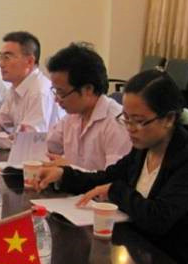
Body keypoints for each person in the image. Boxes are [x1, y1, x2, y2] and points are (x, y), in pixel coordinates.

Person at [36, 70, 188, 264]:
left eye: (138, 121)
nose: (130, 128)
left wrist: (115, 191)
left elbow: (158, 218)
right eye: (126, 119)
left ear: (168, 119)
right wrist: (64, 174)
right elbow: (108, 177)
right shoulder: (144, 148)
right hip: (140, 254)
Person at [44, 42, 131, 171]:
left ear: (88, 89)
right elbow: (48, 146)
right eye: (55, 91)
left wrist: (69, 170)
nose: (57, 99)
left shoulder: (117, 124)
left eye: (61, 93)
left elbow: (114, 177)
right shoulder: (72, 117)